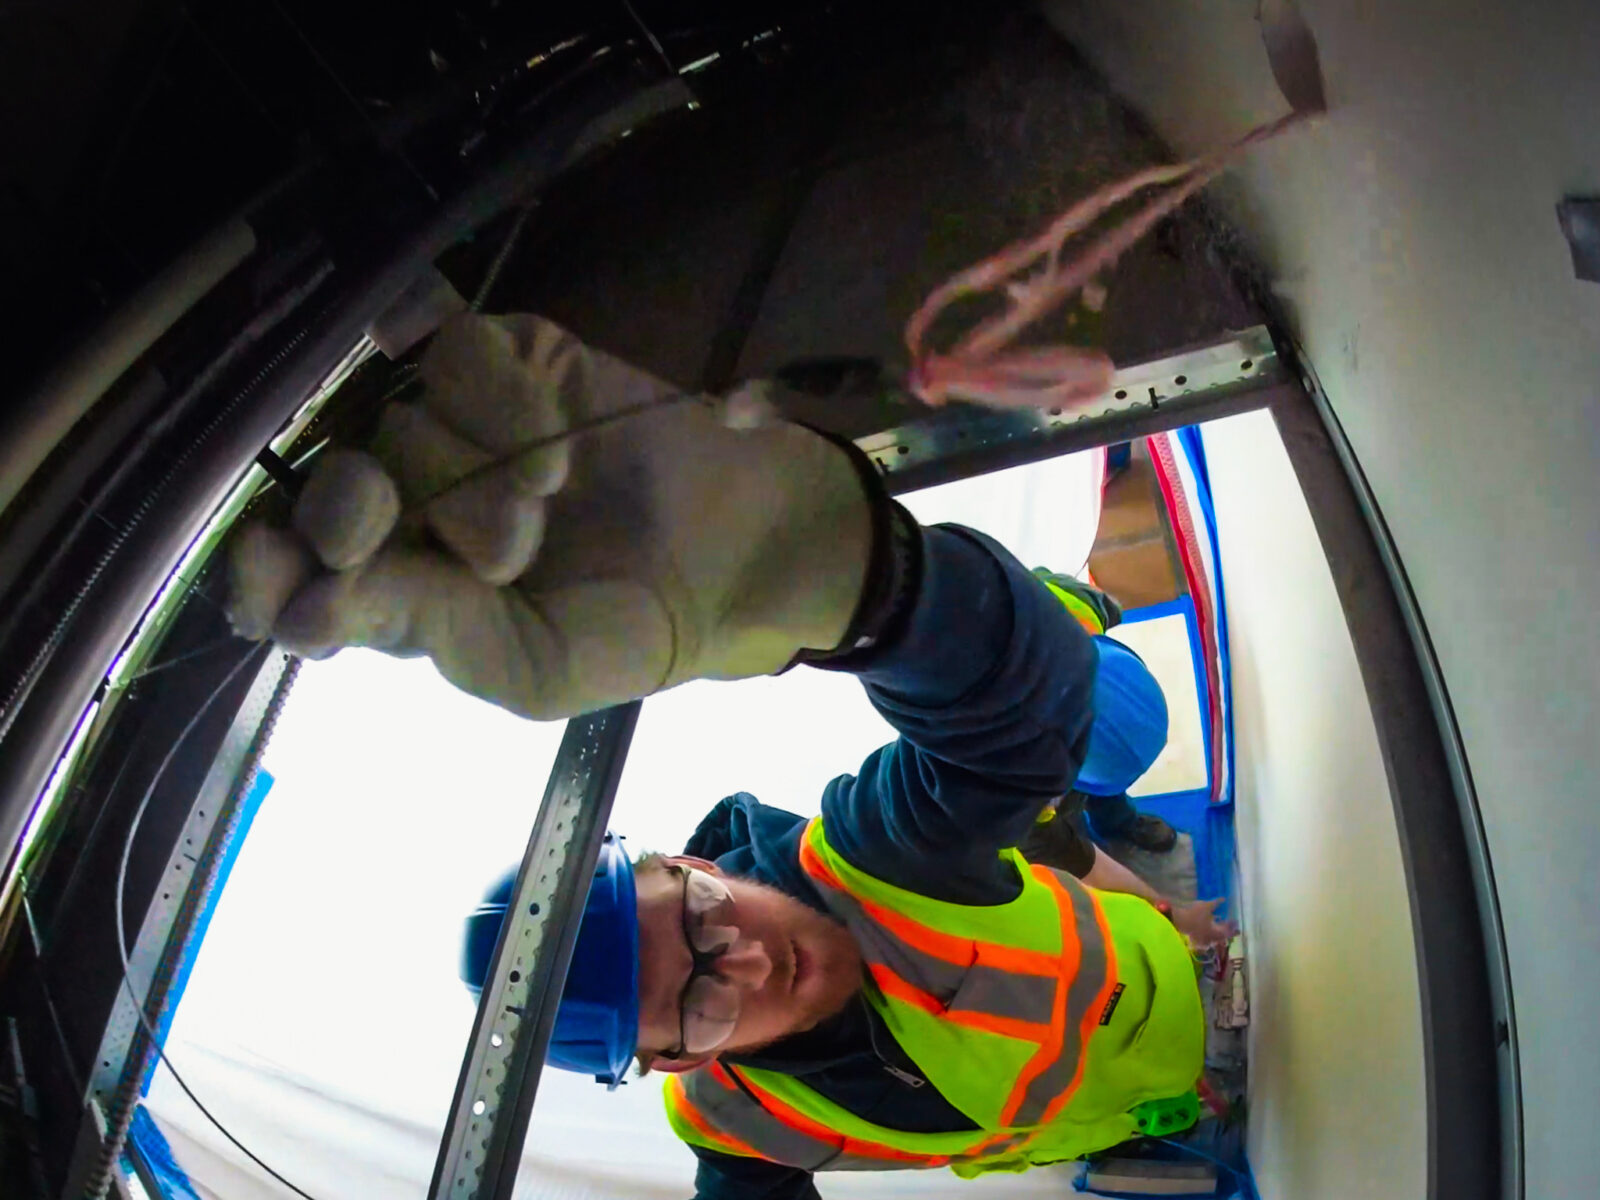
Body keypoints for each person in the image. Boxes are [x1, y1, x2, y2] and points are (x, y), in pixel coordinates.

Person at [229, 313, 1234, 1197]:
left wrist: (839, 578)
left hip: (1213, 987)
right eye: (699, 1002)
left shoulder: (887, 855)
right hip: (1154, 1117)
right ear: (672, 1062)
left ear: (694, 864)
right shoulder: (729, 1125)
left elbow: (1019, 703)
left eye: (701, 918)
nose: (749, 960)